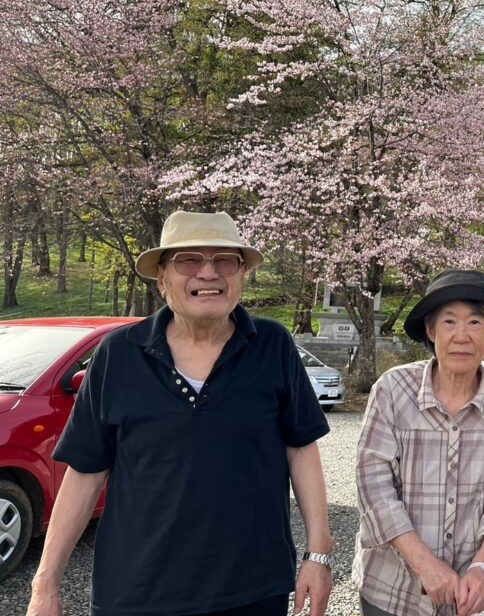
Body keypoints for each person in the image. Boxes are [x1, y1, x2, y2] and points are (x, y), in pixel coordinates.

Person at [27, 211, 333, 616]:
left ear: (241, 275)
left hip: (252, 588)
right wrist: (45, 582)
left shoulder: (272, 345)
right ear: (162, 279)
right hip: (136, 590)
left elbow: (300, 448)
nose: (208, 273)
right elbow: (85, 472)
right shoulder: (118, 354)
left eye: (225, 260)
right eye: (189, 260)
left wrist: (320, 553)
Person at [353, 269, 484, 616]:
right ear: (430, 329)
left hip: (475, 593)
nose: (462, 336)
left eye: (474, 323)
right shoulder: (393, 390)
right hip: (394, 589)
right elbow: (373, 484)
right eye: (449, 322)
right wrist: (425, 564)